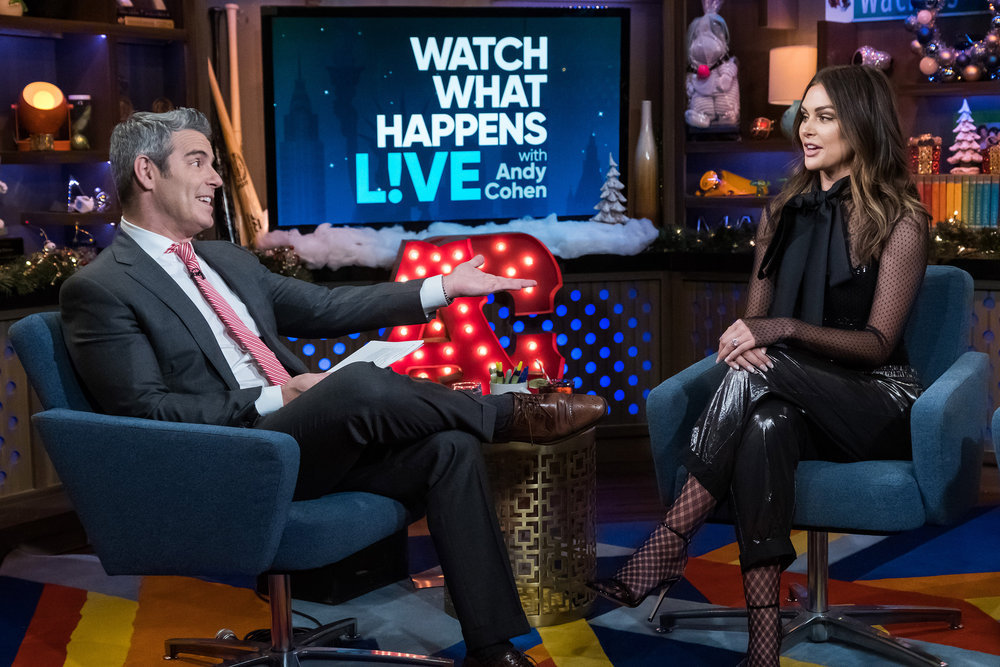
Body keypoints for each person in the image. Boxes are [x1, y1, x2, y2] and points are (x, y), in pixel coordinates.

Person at [60, 108, 608, 667]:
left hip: (302, 450)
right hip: (226, 461)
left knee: (450, 448)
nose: (217, 179)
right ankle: (506, 414)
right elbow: (149, 414)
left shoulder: (224, 258)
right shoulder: (102, 288)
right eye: (197, 162)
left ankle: (492, 648)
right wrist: (279, 397)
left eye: (214, 164)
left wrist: (445, 286)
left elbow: (325, 306)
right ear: (148, 173)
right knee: (355, 387)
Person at [588, 65, 930, 666]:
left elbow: (877, 344)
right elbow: (752, 329)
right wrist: (765, 337)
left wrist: (786, 330)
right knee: (763, 424)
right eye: (806, 114)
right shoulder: (782, 213)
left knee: (759, 373)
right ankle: (763, 648)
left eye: (826, 116)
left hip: (874, 399)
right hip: (788, 395)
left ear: (863, 124)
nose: (807, 128)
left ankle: (670, 539)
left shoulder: (901, 219)